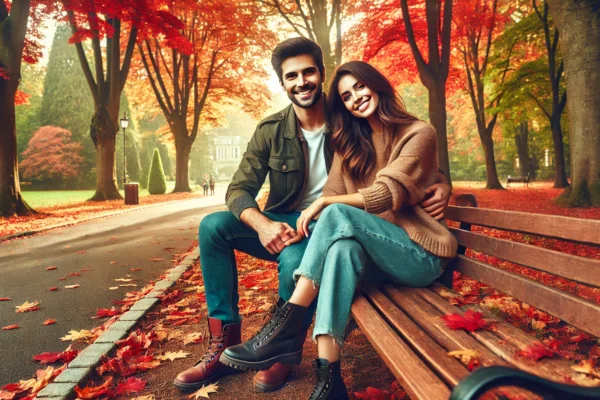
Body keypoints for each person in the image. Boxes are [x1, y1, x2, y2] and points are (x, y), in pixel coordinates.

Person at [173, 39, 451, 393]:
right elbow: (239, 190)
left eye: (308, 72)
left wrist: (443, 185)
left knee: (300, 255)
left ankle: (281, 345)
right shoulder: (278, 130)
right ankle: (229, 345)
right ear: (283, 83)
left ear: (321, 75)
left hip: (346, 225)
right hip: (300, 220)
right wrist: (263, 224)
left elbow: (408, 170)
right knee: (213, 226)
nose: (301, 81)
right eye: (292, 76)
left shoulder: (350, 123)